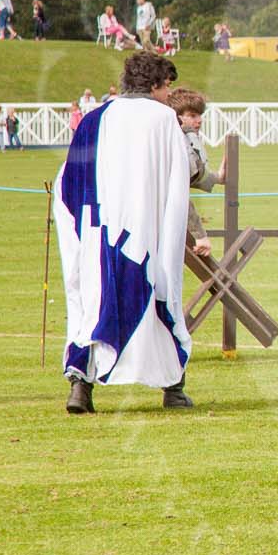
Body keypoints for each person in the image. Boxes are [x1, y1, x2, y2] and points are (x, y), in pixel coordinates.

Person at [56, 51, 194, 414]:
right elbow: (177, 187)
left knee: (91, 304)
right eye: (167, 87)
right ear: (153, 85)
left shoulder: (93, 120)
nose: (169, 96)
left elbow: (69, 182)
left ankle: (80, 387)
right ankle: (172, 386)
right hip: (145, 234)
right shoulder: (164, 120)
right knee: (160, 297)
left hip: (97, 234)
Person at [165, 88, 222, 257]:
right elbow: (178, 191)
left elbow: (193, 175)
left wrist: (217, 178)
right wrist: (200, 235)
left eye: (199, 115)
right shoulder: (177, 143)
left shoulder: (184, 139)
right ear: (178, 117)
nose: (199, 120)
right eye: (192, 115)